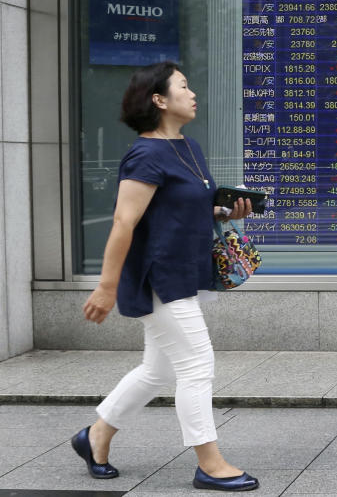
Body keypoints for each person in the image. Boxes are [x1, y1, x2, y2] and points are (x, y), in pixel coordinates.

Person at [72, 61, 260, 491]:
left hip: (185, 270)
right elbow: (124, 222)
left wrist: (224, 211)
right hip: (160, 276)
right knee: (197, 365)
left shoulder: (187, 148)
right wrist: (106, 286)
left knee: (157, 370)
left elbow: (182, 206)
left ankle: (95, 436)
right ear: (159, 100)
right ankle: (209, 463)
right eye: (183, 86)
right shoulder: (145, 154)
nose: (192, 94)